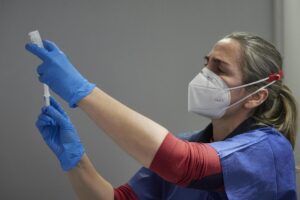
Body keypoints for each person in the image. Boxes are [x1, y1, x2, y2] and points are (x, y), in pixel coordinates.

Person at [26, 32, 297, 200]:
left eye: (220, 69)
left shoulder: (268, 150)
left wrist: (81, 90)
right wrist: (75, 160)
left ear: (256, 96)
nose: (206, 74)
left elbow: (182, 164)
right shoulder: (190, 144)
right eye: (206, 63)